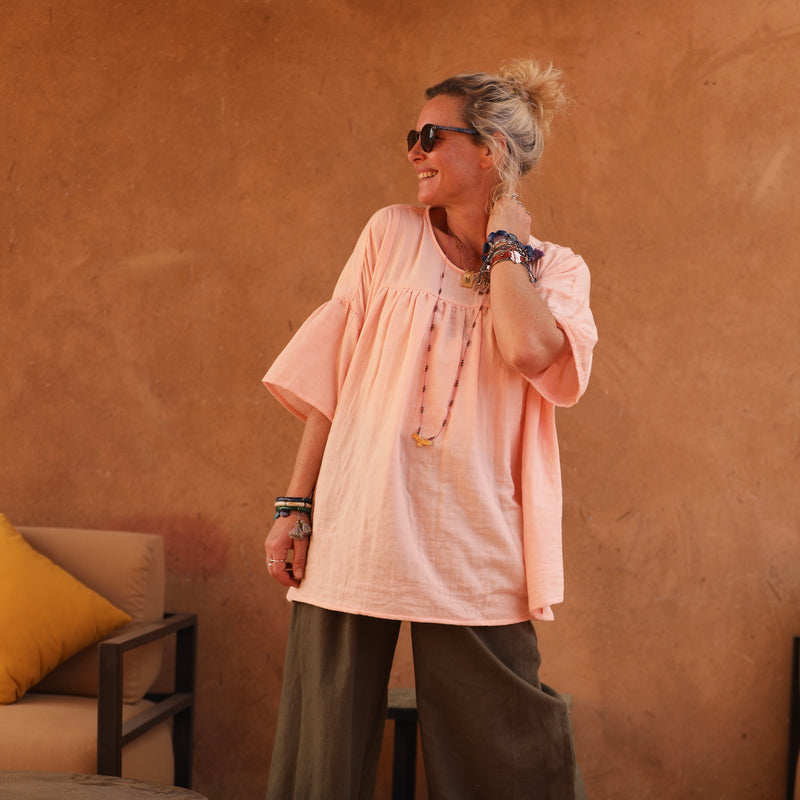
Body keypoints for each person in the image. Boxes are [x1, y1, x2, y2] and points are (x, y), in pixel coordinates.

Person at [262, 57, 597, 800]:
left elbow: (529, 349)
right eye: (411, 137)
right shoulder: (389, 234)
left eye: (431, 136)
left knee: (504, 754)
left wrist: (505, 244)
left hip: (475, 534)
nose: (414, 151)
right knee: (322, 752)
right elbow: (333, 379)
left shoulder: (557, 272)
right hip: (360, 521)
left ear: (491, 151)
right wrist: (295, 505)